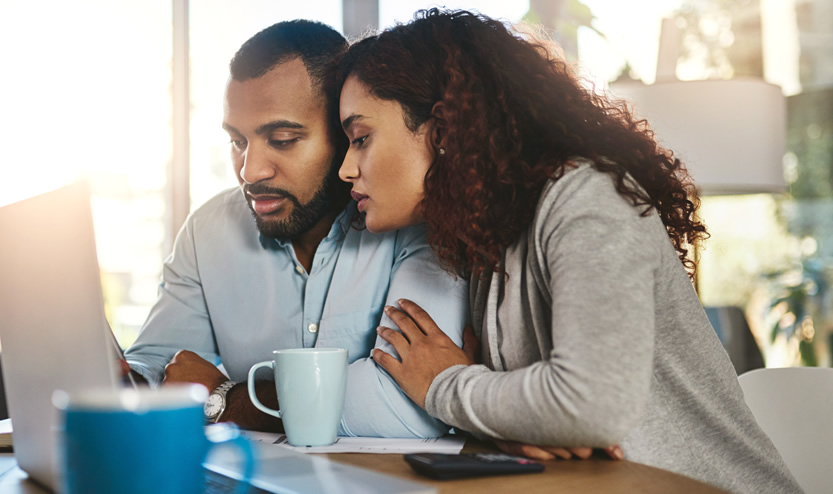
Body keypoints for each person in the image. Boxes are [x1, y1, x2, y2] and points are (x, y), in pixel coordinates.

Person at [334, 8, 801, 493]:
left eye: (361, 138)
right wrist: (522, 421)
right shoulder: (486, 238)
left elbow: (589, 406)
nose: (347, 168)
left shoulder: (586, 197)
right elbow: (557, 420)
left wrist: (444, 383)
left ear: (444, 128)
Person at [124, 19, 468, 438]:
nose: (251, 171)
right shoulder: (207, 232)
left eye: (283, 139)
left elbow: (407, 409)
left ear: (347, 134)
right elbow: (159, 366)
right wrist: (128, 380)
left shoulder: (414, 221)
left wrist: (228, 399)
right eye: (238, 141)